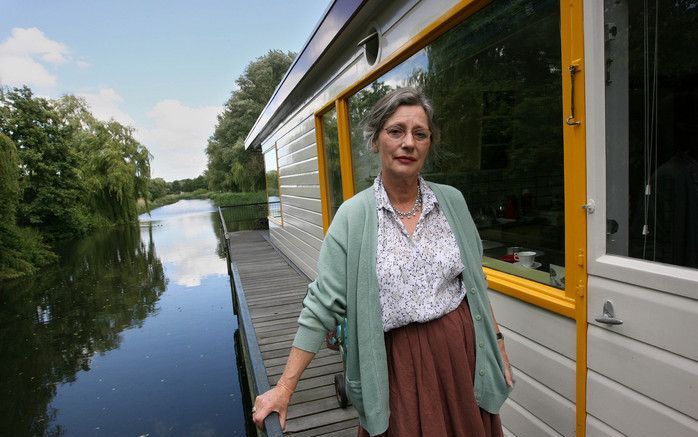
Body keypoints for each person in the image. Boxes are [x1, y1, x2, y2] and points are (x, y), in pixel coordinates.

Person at [252, 87, 513, 436]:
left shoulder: (452, 202)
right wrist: (284, 389)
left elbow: (475, 283)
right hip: (395, 366)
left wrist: (497, 348)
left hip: (461, 356)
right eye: (396, 131)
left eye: (420, 134)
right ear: (375, 140)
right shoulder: (353, 216)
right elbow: (321, 307)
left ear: (429, 144)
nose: (409, 143)